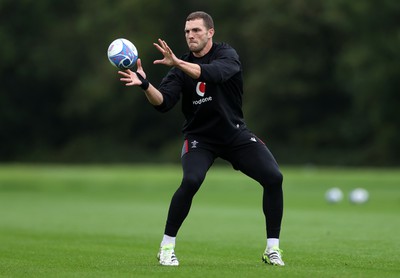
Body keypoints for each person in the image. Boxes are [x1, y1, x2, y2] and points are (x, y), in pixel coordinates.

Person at [118, 11, 285, 267]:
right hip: (200, 138)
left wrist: (176, 63)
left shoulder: (227, 54)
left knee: (274, 178)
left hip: (234, 133)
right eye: (187, 31)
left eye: (196, 30)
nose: (190, 36)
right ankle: (166, 247)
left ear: (210, 32)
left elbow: (213, 74)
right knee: (191, 180)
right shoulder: (179, 66)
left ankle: (272, 249)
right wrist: (145, 85)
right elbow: (163, 103)